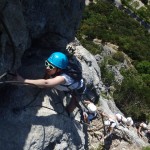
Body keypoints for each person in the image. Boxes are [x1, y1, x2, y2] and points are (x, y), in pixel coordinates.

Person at [17, 52, 94, 114]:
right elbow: (46, 79)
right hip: (67, 84)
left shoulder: (64, 77)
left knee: (69, 109)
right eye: (47, 63)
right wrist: (42, 84)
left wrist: (23, 81)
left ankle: (67, 114)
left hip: (78, 89)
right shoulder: (55, 69)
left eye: (50, 66)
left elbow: (46, 83)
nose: (47, 67)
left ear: (58, 69)